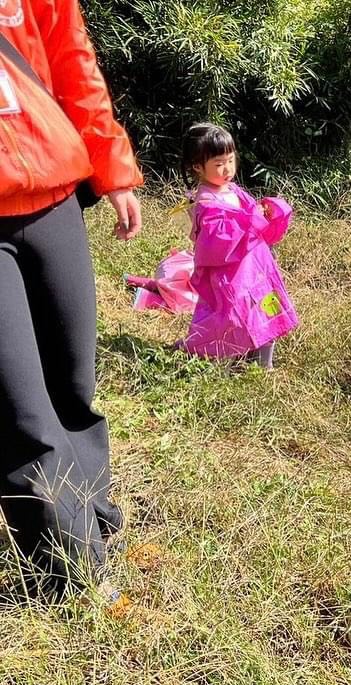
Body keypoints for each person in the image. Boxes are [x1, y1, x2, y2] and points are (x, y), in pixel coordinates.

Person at [0, 0, 143, 597]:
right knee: (21, 414)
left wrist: (112, 168)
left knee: (72, 386)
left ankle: (95, 528)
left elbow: (71, 58)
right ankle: (78, 581)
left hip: (53, 197)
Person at [178, 123, 299, 369]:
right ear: (197, 167)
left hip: (255, 269)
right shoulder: (206, 202)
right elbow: (216, 241)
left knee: (265, 309)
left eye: (231, 160)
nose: (228, 169)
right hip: (233, 276)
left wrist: (264, 211)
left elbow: (250, 215)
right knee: (235, 318)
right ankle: (229, 361)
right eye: (219, 164)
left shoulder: (231, 189)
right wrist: (251, 219)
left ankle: (263, 365)